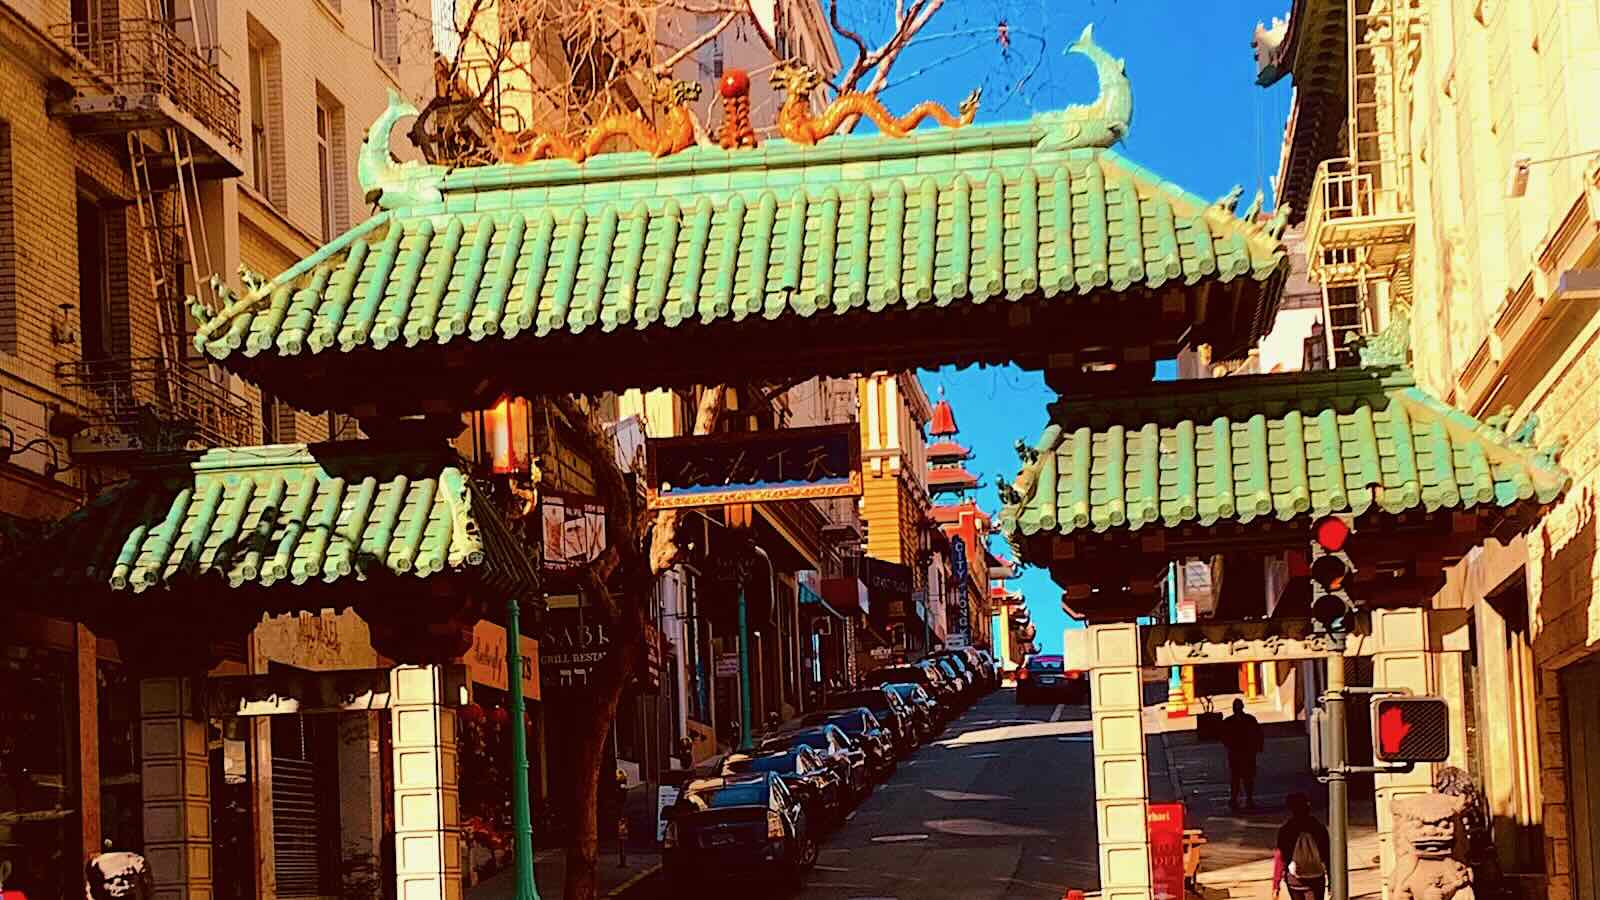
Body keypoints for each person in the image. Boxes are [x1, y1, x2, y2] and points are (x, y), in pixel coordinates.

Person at [1272, 793, 1330, 900]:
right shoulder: (1318, 828)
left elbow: (1280, 858)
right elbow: (1327, 856)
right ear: (1308, 807)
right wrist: (1332, 880)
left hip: (1294, 880)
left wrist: (1276, 885)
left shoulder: (1286, 830)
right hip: (1316, 878)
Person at [1221, 698, 1263, 811]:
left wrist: (1230, 746)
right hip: (1246, 753)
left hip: (1237, 753)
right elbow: (1258, 734)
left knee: (1237, 778)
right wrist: (1258, 748)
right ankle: (1246, 799)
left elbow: (1223, 738)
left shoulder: (1229, 721)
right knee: (1247, 778)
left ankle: (1236, 800)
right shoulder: (1250, 720)